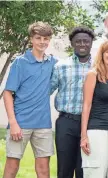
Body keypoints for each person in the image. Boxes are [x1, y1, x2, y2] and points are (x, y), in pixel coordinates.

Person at [3, 22, 56, 178]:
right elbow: (7, 93)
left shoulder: (53, 63)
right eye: (38, 38)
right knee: (12, 167)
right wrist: (13, 123)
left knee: (43, 170)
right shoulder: (20, 63)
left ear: (49, 40)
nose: (42, 42)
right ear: (31, 39)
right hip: (20, 123)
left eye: (45, 38)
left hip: (43, 124)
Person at [50, 26, 95, 178]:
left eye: (86, 41)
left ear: (91, 43)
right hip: (66, 122)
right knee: (64, 169)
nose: (82, 44)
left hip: (91, 124)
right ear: (72, 44)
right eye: (78, 41)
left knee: (85, 169)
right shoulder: (60, 66)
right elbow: (47, 90)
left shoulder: (99, 67)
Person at [80, 39, 108, 178]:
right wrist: (84, 136)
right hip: (96, 132)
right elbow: (86, 105)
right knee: (95, 173)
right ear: (102, 54)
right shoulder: (93, 74)